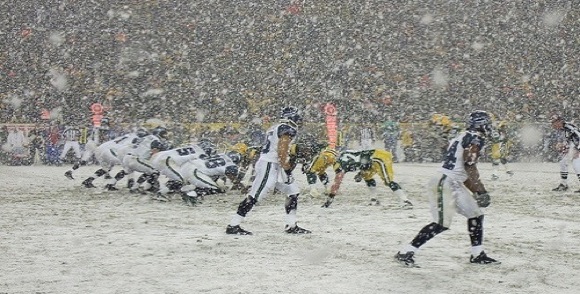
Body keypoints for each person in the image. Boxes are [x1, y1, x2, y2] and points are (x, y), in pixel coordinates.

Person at [395, 110, 500, 266]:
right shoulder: (475, 139)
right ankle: (406, 251)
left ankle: (477, 254)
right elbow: (469, 166)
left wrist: (477, 190)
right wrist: (481, 190)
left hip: (452, 181)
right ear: (481, 124)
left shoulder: (463, 136)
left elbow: (463, 173)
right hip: (445, 182)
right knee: (441, 223)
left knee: (476, 215)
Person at [226, 106, 310, 235]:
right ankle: (233, 225)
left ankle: (291, 225)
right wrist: (286, 168)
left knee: (293, 192)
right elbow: (282, 151)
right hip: (270, 164)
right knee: (255, 196)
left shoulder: (275, 127)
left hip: (274, 164)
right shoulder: (287, 129)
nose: (300, 120)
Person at [322, 149, 413, 209]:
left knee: (388, 181)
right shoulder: (344, 153)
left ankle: (405, 201)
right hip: (371, 159)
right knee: (367, 176)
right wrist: (360, 174)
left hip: (378, 157)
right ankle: (374, 199)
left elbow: (337, 183)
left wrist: (330, 199)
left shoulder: (339, 164)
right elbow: (361, 158)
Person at [550, 114, 580, 192]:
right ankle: (563, 185)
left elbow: (579, 136)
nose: (552, 125)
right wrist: (561, 144)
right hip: (573, 146)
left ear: (559, 121)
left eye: (554, 123)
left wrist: (577, 149)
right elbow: (567, 139)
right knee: (563, 162)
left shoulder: (569, 127)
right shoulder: (561, 128)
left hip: (577, 146)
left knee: (576, 164)